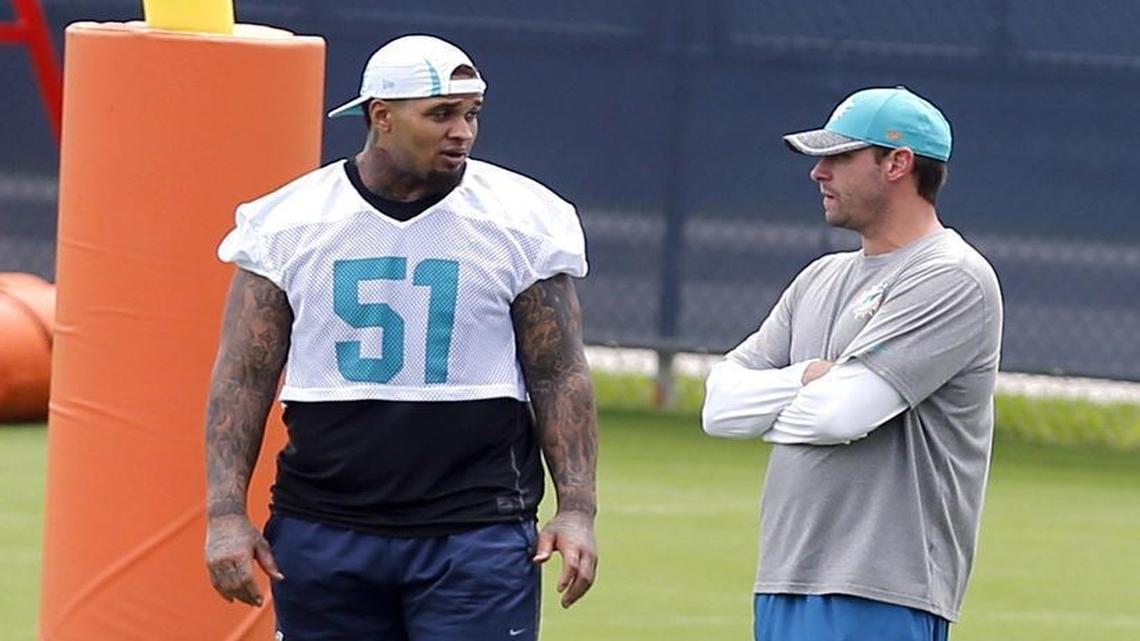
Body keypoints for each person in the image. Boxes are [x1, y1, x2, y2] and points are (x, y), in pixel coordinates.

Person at [203, 34, 598, 641]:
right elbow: (243, 376)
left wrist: (577, 509)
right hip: (325, 524)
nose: (462, 132)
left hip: (476, 528)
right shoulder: (287, 222)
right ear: (381, 116)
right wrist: (226, 514)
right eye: (441, 114)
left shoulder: (523, 219)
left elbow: (559, 372)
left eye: (471, 114)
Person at [701, 86, 1003, 641]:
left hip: (880, 593)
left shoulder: (951, 276)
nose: (818, 172)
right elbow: (718, 408)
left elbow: (838, 416)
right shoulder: (819, 277)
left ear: (898, 163)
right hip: (783, 581)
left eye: (839, 157)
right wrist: (806, 377)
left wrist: (773, 406)